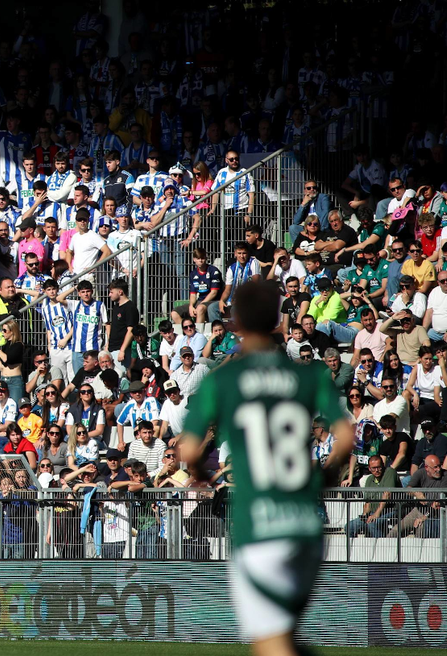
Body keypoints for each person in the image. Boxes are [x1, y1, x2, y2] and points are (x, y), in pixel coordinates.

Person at [180, 279, 353, 656]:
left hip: (259, 525)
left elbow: (189, 448)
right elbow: (345, 435)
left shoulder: (224, 379)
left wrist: (206, 478)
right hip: (305, 524)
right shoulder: (308, 374)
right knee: (284, 638)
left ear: (237, 322)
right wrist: (325, 476)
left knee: (270, 645)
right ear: (277, 319)